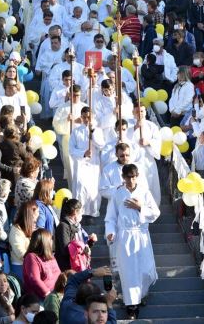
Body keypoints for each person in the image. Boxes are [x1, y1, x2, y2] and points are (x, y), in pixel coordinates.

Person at [105, 164, 160, 319]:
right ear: (123, 177)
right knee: (129, 273)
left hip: (142, 236)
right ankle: (131, 306)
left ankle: (140, 295)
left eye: (134, 176)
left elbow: (155, 213)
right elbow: (111, 217)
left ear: (137, 176)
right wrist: (110, 232)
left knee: (146, 270)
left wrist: (140, 207)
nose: (131, 180)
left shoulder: (144, 192)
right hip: (125, 237)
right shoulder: (117, 194)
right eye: (128, 176)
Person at [69, 106, 105, 218]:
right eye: (84, 117)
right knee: (80, 187)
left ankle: (93, 212)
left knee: (93, 189)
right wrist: (83, 153)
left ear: (92, 117)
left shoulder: (98, 130)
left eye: (89, 117)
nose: (86, 119)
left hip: (93, 164)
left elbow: (101, 145)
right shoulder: (76, 131)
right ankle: (80, 213)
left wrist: (93, 132)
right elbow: (71, 149)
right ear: (81, 117)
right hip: (81, 164)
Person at [55, 198, 97, 271]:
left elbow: (82, 246)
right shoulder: (63, 226)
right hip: (67, 268)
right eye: (81, 211)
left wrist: (90, 241)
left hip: (78, 265)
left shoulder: (77, 226)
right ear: (75, 212)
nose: (82, 214)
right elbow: (66, 250)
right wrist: (83, 249)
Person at [23, 229, 61, 301]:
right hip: (40, 298)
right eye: (50, 239)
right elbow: (34, 279)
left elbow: (59, 274)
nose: (52, 241)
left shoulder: (50, 256)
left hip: (55, 294)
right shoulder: (31, 257)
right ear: (44, 242)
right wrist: (48, 295)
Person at [9, 200, 39, 281]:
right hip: (20, 266)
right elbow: (20, 252)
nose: (38, 214)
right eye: (37, 212)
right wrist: (34, 260)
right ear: (31, 214)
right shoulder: (16, 230)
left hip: (30, 264)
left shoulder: (30, 227)